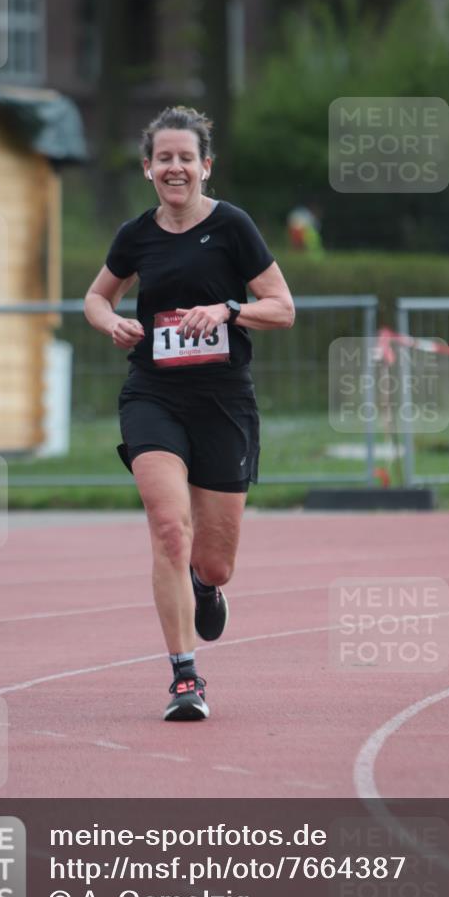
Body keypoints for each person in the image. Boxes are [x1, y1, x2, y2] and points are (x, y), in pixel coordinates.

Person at [85, 106, 294, 722]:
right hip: (153, 394)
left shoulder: (233, 226)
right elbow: (97, 296)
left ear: (205, 165)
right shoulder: (135, 235)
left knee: (213, 558)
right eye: (164, 158)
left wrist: (229, 309)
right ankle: (184, 676)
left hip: (223, 403)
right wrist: (112, 322)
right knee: (169, 529)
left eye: (186, 158)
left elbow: (282, 307)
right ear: (148, 167)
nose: (175, 168)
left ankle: (206, 587)